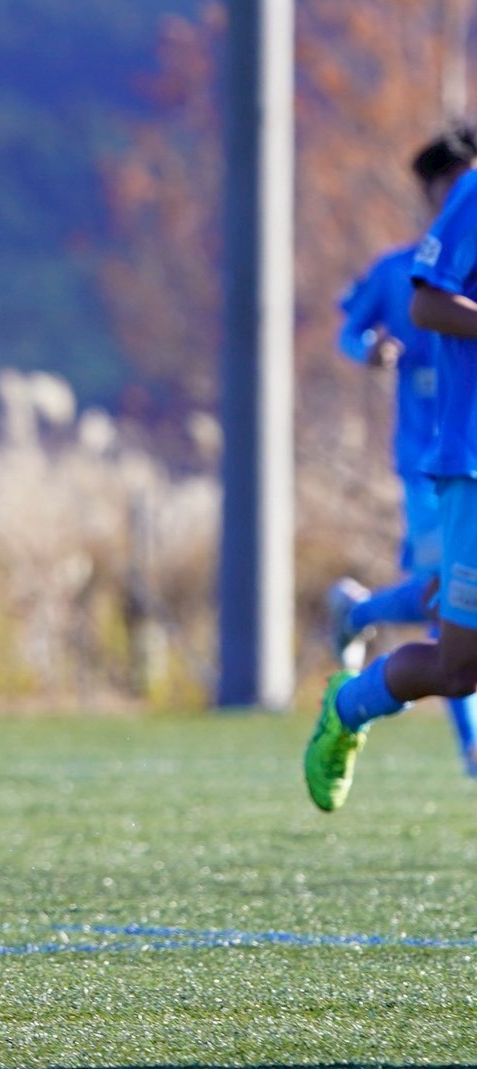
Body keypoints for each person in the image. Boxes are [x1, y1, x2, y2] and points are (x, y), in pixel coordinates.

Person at [305, 123, 477, 812]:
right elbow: (415, 306)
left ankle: (359, 614)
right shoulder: (463, 208)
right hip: (455, 464)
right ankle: (351, 705)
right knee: (454, 656)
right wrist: (368, 351)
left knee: (438, 604)